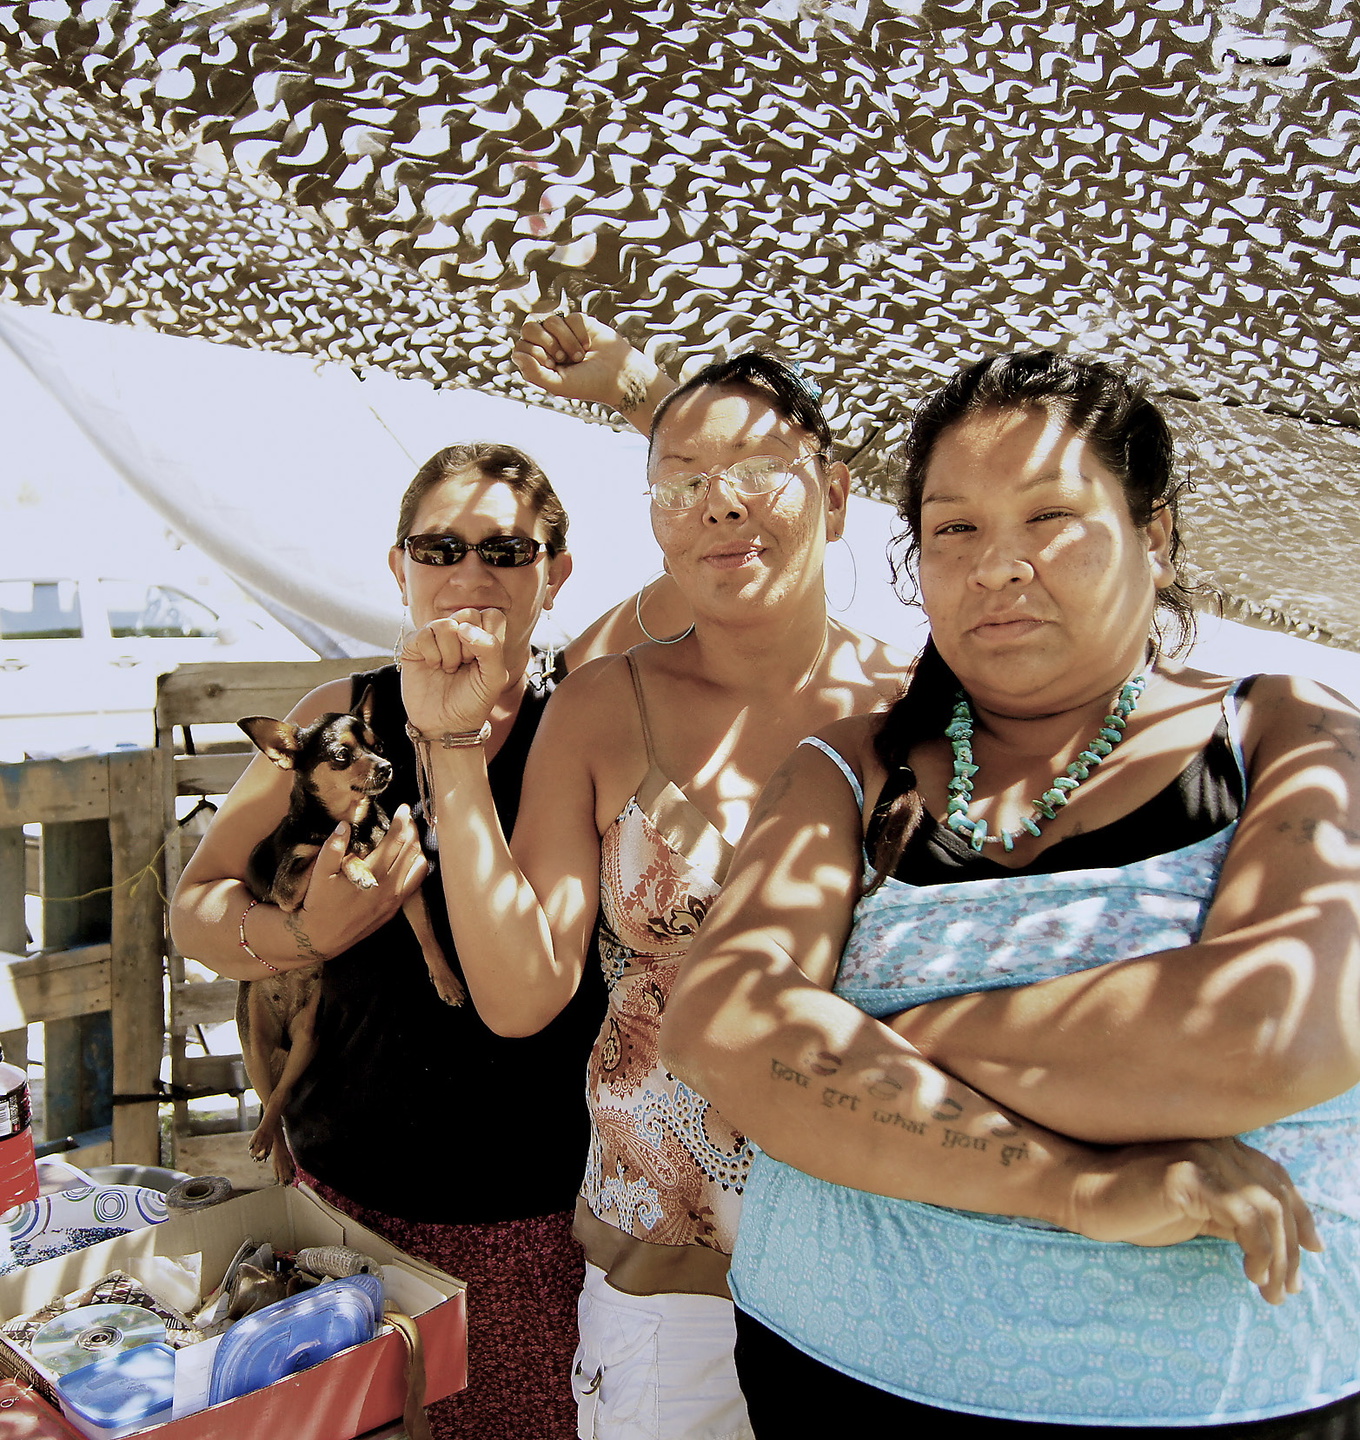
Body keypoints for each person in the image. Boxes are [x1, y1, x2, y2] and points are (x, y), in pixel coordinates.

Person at [661, 350, 1360, 1436]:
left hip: (1225, 1400)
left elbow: (1267, 1034)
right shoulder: (844, 770)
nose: (997, 566)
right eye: (955, 529)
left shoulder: (1287, 734)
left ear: (1155, 539)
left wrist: (857, 1041)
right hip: (835, 1379)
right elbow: (718, 1035)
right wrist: (1077, 1186)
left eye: (1050, 517)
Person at [395, 324, 910, 1439]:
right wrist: (446, 750)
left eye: (760, 476)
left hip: (889, 1248)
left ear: (833, 493)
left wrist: (642, 388)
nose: (719, 507)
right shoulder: (602, 704)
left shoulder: (916, 705)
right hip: (667, 1269)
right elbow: (524, 994)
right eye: (678, 485)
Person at [170, 442, 606, 1439]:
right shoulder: (343, 717)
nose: (469, 574)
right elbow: (196, 898)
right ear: (398, 566)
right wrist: (296, 932)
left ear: (556, 573)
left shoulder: (577, 731)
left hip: (531, 1229)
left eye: (505, 550)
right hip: (337, 1209)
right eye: (440, 547)